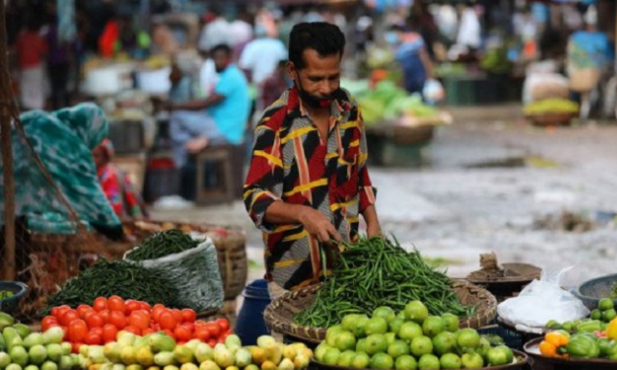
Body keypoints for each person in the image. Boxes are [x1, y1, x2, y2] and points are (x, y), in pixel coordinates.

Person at [243, 22, 381, 297]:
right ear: (293, 71)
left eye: (334, 77)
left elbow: (359, 170)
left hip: (349, 273)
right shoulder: (276, 124)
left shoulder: (349, 109)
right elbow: (255, 198)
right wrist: (304, 214)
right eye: (315, 79)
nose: (326, 88)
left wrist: (373, 223)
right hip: (294, 280)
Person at [0, 103, 122, 239]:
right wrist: (116, 231)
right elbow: (90, 197)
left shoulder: (35, 118)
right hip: (8, 215)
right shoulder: (70, 144)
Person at [168, 44, 250, 169]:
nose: (217, 62)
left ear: (229, 58)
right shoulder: (229, 75)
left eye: (221, 59)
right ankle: (199, 141)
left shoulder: (231, 77)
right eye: (215, 59)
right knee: (184, 117)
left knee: (176, 116)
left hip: (224, 129)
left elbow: (205, 103)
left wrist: (175, 106)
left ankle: (183, 160)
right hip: (220, 124)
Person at [93, 139, 148, 220]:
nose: (92, 159)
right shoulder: (87, 173)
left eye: (96, 156)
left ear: (105, 157)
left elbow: (124, 199)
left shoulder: (110, 174)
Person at [385, 22, 435, 95]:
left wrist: (429, 74)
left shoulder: (414, 39)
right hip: (406, 79)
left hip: (418, 76)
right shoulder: (395, 46)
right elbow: (398, 66)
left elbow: (424, 56)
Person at [15, 17, 47, 110]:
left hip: (25, 66)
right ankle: (38, 106)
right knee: (37, 86)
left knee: (26, 86)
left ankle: (27, 106)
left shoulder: (22, 38)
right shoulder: (37, 38)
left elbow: (18, 51)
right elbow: (43, 52)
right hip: (36, 65)